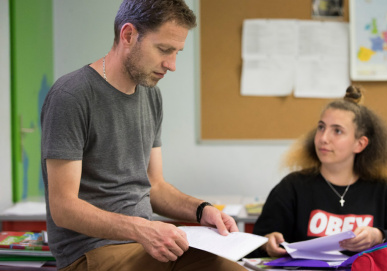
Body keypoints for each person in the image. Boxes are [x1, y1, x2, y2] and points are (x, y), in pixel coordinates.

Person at [40, 1, 246, 270]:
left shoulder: (150, 94)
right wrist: (142, 229)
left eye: (177, 53)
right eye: (164, 49)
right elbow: (63, 208)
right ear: (128, 35)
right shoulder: (72, 96)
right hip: (91, 252)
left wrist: (201, 210)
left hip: (145, 245)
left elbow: (155, 186)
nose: (171, 65)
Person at [251, 85, 387, 260]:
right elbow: (253, 245)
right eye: (321, 127)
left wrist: (378, 237)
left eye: (337, 131)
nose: (323, 138)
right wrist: (267, 244)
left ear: (360, 144)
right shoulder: (292, 187)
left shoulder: (385, 191)